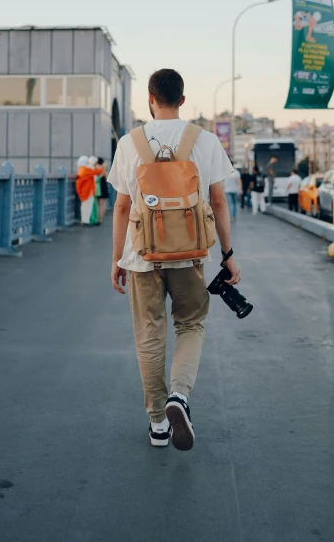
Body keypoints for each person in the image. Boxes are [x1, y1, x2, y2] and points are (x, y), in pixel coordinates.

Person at [108, 68, 241, 451]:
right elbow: (218, 203)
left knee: (149, 335)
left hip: (141, 256)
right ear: (182, 100)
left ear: (150, 99)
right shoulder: (206, 140)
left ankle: (157, 424)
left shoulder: (129, 142)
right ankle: (179, 397)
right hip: (191, 255)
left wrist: (117, 258)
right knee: (191, 325)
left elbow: (120, 207)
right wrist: (228, 256)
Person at [76, 156, 104, 225]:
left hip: (85, 191)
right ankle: (86, 221)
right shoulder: (85, 170)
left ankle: (85, 220)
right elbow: (97, 171)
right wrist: (103, 166)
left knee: (85, 206)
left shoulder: (81, 169)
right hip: (87, 191)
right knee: (87, 207)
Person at [96, 157, 109, 224]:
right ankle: (101, 218)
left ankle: (97, 217)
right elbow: (107, 179)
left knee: (97, 203)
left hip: (96, 187)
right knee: (103, 204)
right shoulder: (104, 170)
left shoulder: (95, 169)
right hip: (103, 186)